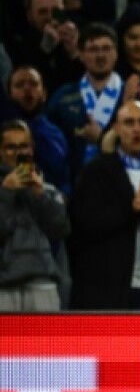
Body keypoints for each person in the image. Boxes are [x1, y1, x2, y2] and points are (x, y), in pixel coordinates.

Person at [69, 100, 140, 309]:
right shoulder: (94, 172)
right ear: (116, 128)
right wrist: (130, 208)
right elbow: (83, 224)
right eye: (129, 122)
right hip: (108, 286)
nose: (137, 129)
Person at [0, 118, 69, 310]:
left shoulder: (46, 188)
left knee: (45, 341)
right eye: (11, 147)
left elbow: (60, 229)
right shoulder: (3, 190)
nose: (18, 153)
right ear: (1, 151)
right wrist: (6, 192)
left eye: (24, 147)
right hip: (3, 286)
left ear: (32, 149)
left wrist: (40, 195)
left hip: (42, 282)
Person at [45, 22, 121, 180]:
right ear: (80, 55)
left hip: (120, 187)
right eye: (93, 49)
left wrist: (101, 139)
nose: (100, 55)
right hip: (75, 186)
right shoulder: (62, 97)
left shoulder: (131, 96)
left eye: (106, 48)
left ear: (116, 54)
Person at [0, 65, 69, 193]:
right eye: (19, 85)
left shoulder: (56, 135)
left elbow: (65, 179)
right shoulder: (2, 134)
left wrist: (61, 198)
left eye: (33, 83)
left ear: (44, 94)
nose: (27, 88)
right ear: (9, 95)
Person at [2, 0, 82, 94]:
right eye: (42, 12)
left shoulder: (78, 40)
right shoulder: (14, 45)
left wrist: (74, 54)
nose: (50, 17)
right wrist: (44, 51)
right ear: (30, 16)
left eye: (56, 11)